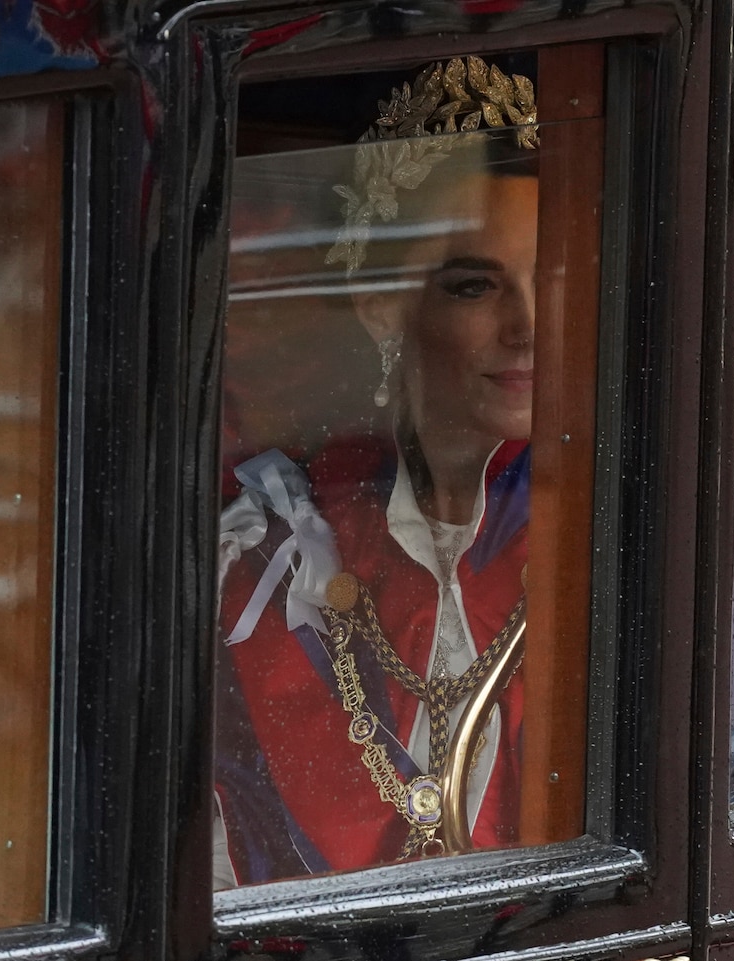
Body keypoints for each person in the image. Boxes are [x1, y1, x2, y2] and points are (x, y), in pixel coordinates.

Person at [213, 56, 538, 888]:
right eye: (475, 286)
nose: (529, 327)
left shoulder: (634, 539)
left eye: (553, 280)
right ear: (383, 306)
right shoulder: (285, 551)